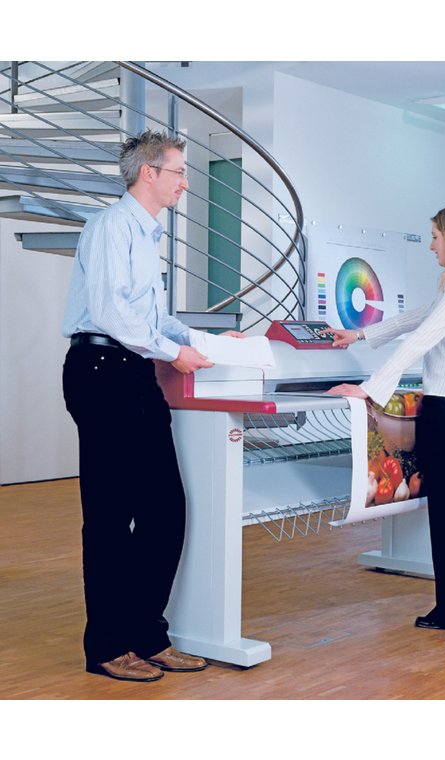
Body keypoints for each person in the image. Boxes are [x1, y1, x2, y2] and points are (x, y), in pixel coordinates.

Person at [62, 130, 244, 682]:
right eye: (179, 171)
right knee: (111, 517)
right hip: (100, 371)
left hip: (134, 371)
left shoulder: (148, 234)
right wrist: (174, 354)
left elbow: (152, 318)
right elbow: (110, 313)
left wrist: (202, 342)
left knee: (166, 509)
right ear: (149, 173)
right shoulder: (110, 226)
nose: (186, 182)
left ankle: (147, 636)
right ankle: (107, 647)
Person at [324, 203, 445, 632]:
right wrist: (360, 333)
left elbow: (419, 340)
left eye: (435, 237)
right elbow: (418, 318)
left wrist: (370, 388)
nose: (431, 246)